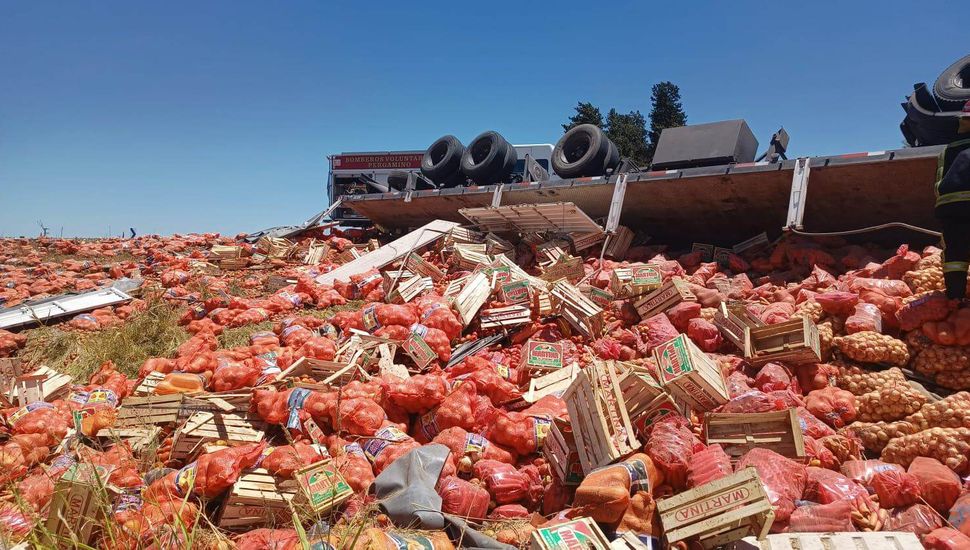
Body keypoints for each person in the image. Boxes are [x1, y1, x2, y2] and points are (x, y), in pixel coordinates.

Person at [935, 138, 970, 300]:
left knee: (955, 253)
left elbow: (939, 180)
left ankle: (955, 298)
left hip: (949, 204)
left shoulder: (948, 148)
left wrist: (942, 206)